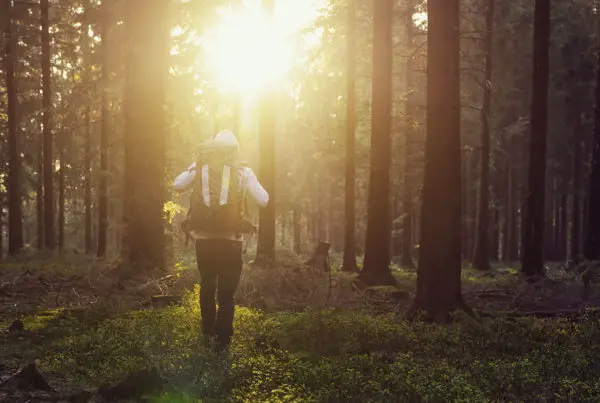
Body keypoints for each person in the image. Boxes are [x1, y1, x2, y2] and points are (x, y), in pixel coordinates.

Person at [173, 130, 269, 352]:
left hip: (204, 242)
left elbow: (177, 185)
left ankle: (207, 335)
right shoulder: (243, 172)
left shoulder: (199, 169)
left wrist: (195, 166)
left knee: (207, 286)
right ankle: (223, 344)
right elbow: (263, 200)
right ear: (235, 151)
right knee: (226, 294)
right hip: (231, 242)